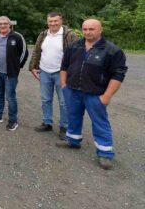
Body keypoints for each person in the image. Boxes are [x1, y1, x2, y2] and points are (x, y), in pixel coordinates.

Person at [56, 19, 127, 170]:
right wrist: (64, 85)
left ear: (100, 30)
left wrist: (107, 96)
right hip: (72, 90)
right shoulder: (74, 46)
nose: (88, 32)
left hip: (95, 94)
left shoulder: (112, 50)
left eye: (92, 29)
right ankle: (73, 141)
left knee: (100, 122)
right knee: (73, 117)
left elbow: (118, 75)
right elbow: (64, 66)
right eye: (85, 29)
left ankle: (105, 153)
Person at [29, 12, 79, 140]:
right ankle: (47, 123)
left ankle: (65, 127)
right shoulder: (44, 34)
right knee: (46, 99)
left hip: (62, 73)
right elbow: (37, 51)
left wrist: (72, 73)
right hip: (44, 71)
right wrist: (33, 67)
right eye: (50, 21)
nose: (53, 24)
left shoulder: (69, 35)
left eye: (56, 21)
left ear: (61, 21)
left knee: (64, 101)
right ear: (47, 22)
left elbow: (78, 55)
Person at [0, 16, 28, 131]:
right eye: (0, 24)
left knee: (10, 97)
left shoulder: (17, 37)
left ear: (9, 24)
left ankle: (13, 120)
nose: (2, 26)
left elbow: (24, 53)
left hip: (10, 74)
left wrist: (16, 67)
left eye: (5, 23)